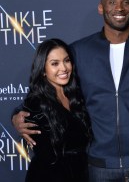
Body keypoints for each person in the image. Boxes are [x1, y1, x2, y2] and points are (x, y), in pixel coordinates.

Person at [12, 0, 129, 182]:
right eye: (111, 2)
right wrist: (17, 115)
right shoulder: (79, 51)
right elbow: (51, 92)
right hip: (99, 167)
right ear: (101, 8)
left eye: (125, 2)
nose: (119, 8)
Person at [21, 38, 92, 182]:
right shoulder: (36, 104)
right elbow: (46, 157)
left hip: (81, 174)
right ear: (43, 70)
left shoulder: (77, 96)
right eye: (55, 64)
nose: (64, 68)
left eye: (66, 61)